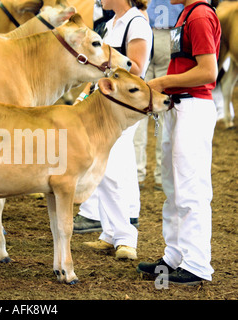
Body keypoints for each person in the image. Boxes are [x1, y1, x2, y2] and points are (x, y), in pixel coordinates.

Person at [137, 0, 220, 285]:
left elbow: (209, 71)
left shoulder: (198, 15)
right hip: (180, 105)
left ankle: (197, 264)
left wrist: (162, 82)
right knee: (174, 187)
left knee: (190, 188)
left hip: (193, 106)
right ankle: (174, 255)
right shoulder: (187, 13)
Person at [73, 0, 153, 260]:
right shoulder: (110, 24)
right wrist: (86, 94)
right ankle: (110, 234)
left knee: (110, 169)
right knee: (119, 167)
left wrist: (108, 64)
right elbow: (101, 74)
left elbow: (137, 69)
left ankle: (125, 237)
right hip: (105, 103)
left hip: (123, 105)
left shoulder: (136, 23)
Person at [133, 0, 183, 191]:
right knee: (163, 108)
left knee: (139, 106)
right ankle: (162, 175)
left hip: (145, 32)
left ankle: (137, 172)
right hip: (170, 35)